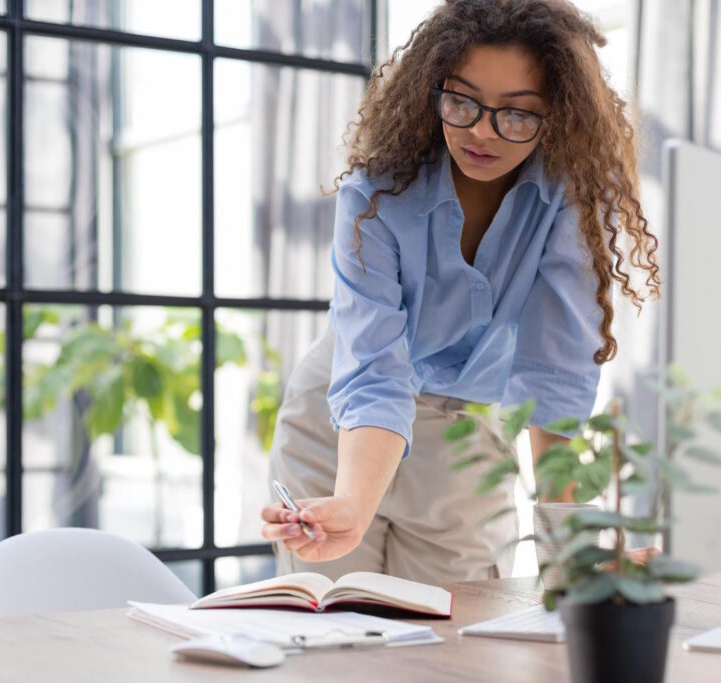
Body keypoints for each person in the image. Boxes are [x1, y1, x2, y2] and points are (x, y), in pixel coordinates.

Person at [260, 0, 660, 586]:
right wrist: (351, 502)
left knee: (456, 650)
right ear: (433, 87)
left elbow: (554, 383)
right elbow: (374, 373)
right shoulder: (376, 195)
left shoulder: (568, 205)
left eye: (518, 115)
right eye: (462, 101)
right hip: (340, 435)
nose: (481, 131)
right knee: (338, 645)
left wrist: (574, 558)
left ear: (559, 115)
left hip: (465, 437)